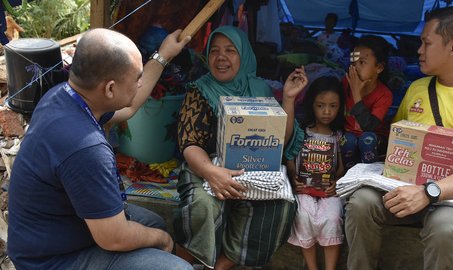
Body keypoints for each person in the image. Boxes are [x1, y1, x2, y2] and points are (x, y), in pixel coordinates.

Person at [7, 28, 193, 270]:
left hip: (56, 233)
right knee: (176, 266)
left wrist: (163, 55)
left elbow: (130, 106)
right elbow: (114, 237)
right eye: (136, 78)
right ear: (110, 90)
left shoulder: (62, 96)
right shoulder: (85, 147)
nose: (139, 83)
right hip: (50, 261)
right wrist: (163, 241)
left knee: (154, 222)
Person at [344, 6, 453, 270]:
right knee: (361, 203)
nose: (419, 50)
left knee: (446, 228)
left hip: (450, 195)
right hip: (401, 185)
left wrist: (427, 192)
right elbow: (397, 138)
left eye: (426, 43)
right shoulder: (418, 88)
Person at [173, 25, 307, 270]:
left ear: (243, 55)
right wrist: (212, 173)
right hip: (204, 166)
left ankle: (221, 266)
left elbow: (280, 140)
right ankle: (179, 263)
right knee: (202, 206)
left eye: (230, 50)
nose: (221, 57)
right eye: (214, 51)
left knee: (281, 204)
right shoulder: (200, 91)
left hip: (251, 169)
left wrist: (288, 99)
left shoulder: (259, 89)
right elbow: (189, 142)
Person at [286, 76, 345, 270]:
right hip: (304, 189)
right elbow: (290, 156)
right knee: (302, 215)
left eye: (333, 106)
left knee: (333, 217)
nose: (327, 112)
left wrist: (337, 183)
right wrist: (294, 177)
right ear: (312, 104)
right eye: (320, 105)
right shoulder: (302, 131)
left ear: (340, 107)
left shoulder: (339, 135)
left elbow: (341, 168)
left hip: (328, 190)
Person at [341, 35, 393, 169]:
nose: (355, 67)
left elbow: (368, 127)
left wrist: (356, 93)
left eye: (362, 62)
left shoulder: (384, 94)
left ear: (379, 68)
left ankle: (368, 177)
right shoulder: (345, 83)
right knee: (349, 140)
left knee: (366, 139)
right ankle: (347, 178)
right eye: (353, 62)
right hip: (349, 135)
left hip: (374, 138)